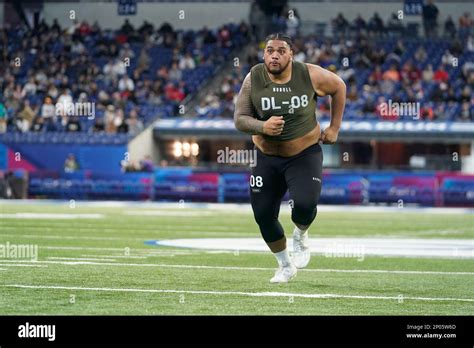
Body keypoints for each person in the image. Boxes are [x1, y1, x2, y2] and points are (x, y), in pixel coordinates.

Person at [234, 33, 346, 283]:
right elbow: (240, 119)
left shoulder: (310, 74)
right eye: (269, 50)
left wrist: (334, 127)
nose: (274, 55)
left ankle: (301, 234)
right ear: (264, 54)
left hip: (303, 154)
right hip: (266, 157)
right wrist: (262, 127)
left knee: (305, 205)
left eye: (281, 51)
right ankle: (285, 265)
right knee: (263, 215)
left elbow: (339, 87)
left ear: (291, 55)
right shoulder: (254, 77)